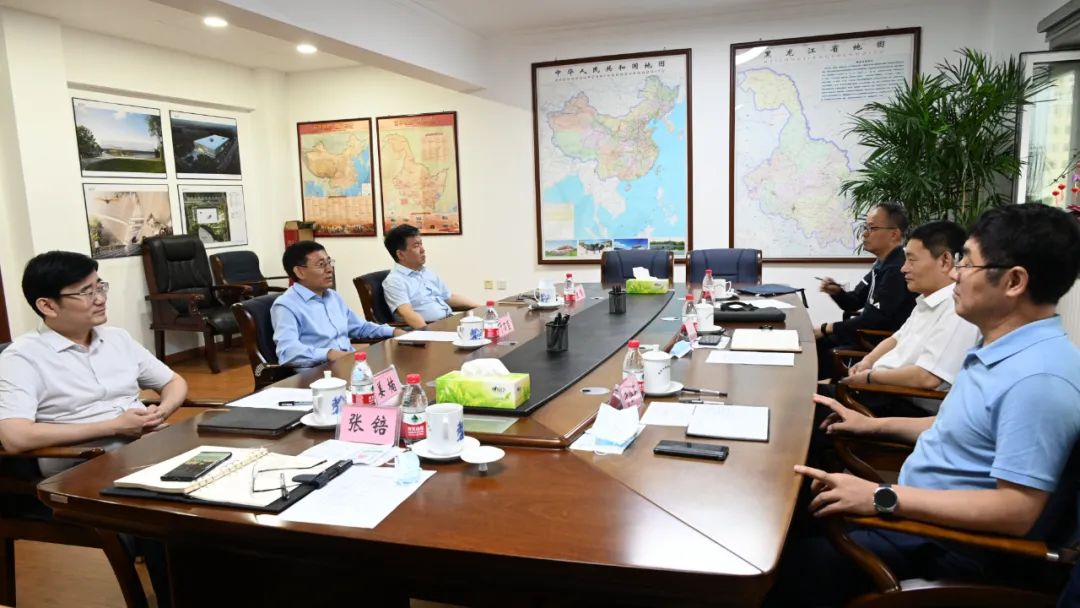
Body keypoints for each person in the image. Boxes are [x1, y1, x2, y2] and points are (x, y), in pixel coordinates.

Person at [771, 204, 1080, 607]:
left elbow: (1016, 510)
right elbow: (958, 427)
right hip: (914, 514)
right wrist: (872, 426)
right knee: (787, 513)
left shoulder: (1038, 379)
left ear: (1014, 281)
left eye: (967, 262)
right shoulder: (1000, 347)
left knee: (780, 562)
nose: (955, 274)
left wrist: (881, 497)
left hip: (946, 545)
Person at [0, 250, 186, 606]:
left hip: (142, 449)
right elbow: (16, 436)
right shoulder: (22, 358)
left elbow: (174, 381)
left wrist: (160, 412)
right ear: (47, 305)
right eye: (86, 292)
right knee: (167, 511)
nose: (99, 298)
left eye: (100, 286)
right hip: (79, 468)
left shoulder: (116, 338)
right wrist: (114, 426)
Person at [837, 220, 979, 416]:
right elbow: (896, 338)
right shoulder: (927, 300)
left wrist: (870, 377)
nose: (903, 268)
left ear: (945, 261)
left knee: (808, 407)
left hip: (903, 403)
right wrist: (867, 361)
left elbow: (926, 378)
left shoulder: (956, 308)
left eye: (911, 260)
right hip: (881, 390)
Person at [815, 203, 917, 379]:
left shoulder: (897, 269)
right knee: (815, 342)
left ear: (894, 234)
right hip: (864, 335)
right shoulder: (882, 264)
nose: (865, 234)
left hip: (875, 344)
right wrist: (837, 292)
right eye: (865, 227)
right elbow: (854, 301)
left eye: (872, 228)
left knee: (818, 349)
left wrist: (825, 328)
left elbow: (873, 320)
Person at [271, 241, 404, 367]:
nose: (330, 269)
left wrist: (394, 331)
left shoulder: (333, 297)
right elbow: (287, 352)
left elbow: (361, 327)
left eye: (329, 262)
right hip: (317, 373)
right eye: (321, 265)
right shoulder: (286, 306)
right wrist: (329, 354)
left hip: (348, 364)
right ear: (299, 272)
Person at [382, 224, 479, 328]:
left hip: (447, 322)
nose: (423, 250)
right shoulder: (394, 281)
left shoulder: (425, 272)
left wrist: (480, 307)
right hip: (430, 329)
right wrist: (429, 334)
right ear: (400, 254)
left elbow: (449, 297)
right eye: (416, 246)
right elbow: (408, 314)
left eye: (421, 244)